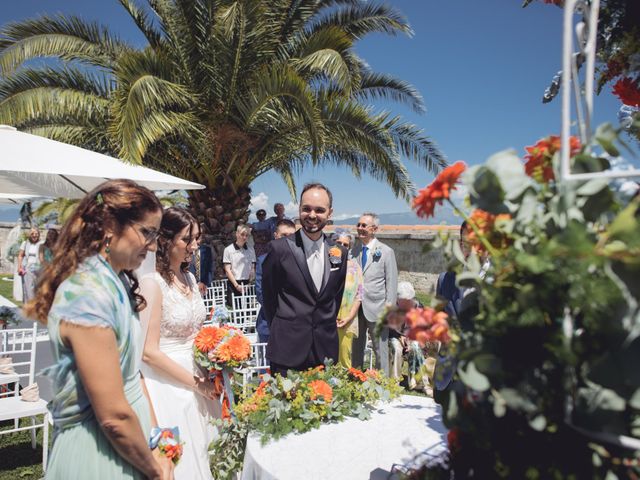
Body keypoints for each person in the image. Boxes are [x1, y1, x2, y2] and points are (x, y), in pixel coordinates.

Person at [23, 179, 173, 480]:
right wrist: (154, 468)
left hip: (133, 447)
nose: (154, 245)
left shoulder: (113, 282)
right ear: (108, 226)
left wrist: (159, 440)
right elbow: (114, 417)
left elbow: (132, 377)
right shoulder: (86, 294)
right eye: (147, 232)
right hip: (98, 456)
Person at [140, 207, 219, 480]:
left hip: (201, 375)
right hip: (169, 385)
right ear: (165, 240)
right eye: (188, 239)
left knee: (209, 451)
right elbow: (148, 352)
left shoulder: (190, 277)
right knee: (186, 461)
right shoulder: (152, 284)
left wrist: (218, 350)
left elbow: (197, 330)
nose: (195, 245)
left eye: (196, 238)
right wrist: (195, 383)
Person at [262, 183, 348, 376]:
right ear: (299, 209)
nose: (312, 215)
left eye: (319, 210)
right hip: (287, 349)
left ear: (330, 213)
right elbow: (268, 298)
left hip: (324, 350)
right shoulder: (279, 249)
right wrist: (282, 328)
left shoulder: (339, 252)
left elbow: (335, 297)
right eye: (306, 208)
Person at [351, 213, 398, 375]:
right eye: (358, 224)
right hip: (356, 308)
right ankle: (355, 379)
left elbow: (391, 282)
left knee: (380, 349)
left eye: (364, 225)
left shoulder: (386, 252)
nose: (360, 228)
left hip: (378, 308)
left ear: (374, 229)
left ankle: (382, 384)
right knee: (356, 346)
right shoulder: (354, 250)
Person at [255, 218, 296, 345]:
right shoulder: (263, 261)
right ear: (276, 235)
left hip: (295, 325)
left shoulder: (302, 261)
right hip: (269, 323)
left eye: (291, 236)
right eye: (284, 235)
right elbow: (260, 292)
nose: (288, 239)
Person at [331, 230, 363, 369]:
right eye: (339, 243)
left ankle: (343, 388)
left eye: (346, 244)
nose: (342, 246)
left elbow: (359, 295)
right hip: (325, 318)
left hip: (346, 320)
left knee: (344, 357)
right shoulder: (323, 263)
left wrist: (349, 317)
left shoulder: (356, 268)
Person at [222, 224, 256, 306]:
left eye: (247, 235)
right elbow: (227, 270)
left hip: (247, 284)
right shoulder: (228, 250)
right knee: (234, 310)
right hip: (234, 283)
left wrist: (249, 284)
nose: (244, 237)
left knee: (248, 311)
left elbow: (252, 269)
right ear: (237, 234)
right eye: (242, 234)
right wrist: (237, 286)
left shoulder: (251, 249)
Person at [17, 227, 42, 302]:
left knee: (38, 288)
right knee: (27, 289)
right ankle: (28, 308)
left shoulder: (42, 243)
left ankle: (37, 308)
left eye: (36, 234)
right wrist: (19, 267)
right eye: (32, 234)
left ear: (39, 235)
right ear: (29, 235)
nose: (34, 235)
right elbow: (20, 256)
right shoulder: (25, 243)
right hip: (27, 268)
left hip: (39, 268)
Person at [188, 231, 215, 296]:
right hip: (190, 284)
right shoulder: (188, 250)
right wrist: (196, 283)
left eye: (200, 235)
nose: (199, 237)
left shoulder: (207, 250)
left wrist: (205, 283)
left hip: (204, 286)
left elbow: (210, 268)